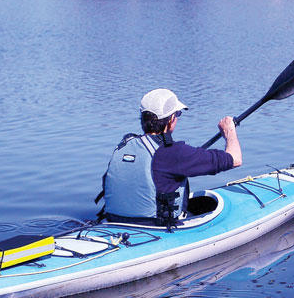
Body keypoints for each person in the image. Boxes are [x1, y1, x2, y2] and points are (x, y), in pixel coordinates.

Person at [102, 88, 242, 226]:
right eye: (178, 114)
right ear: (171, 119)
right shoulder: (175, 153)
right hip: (155, 226)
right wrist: (229, 131)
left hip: (113, 222)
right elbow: (235, 159)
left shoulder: (124, 146)